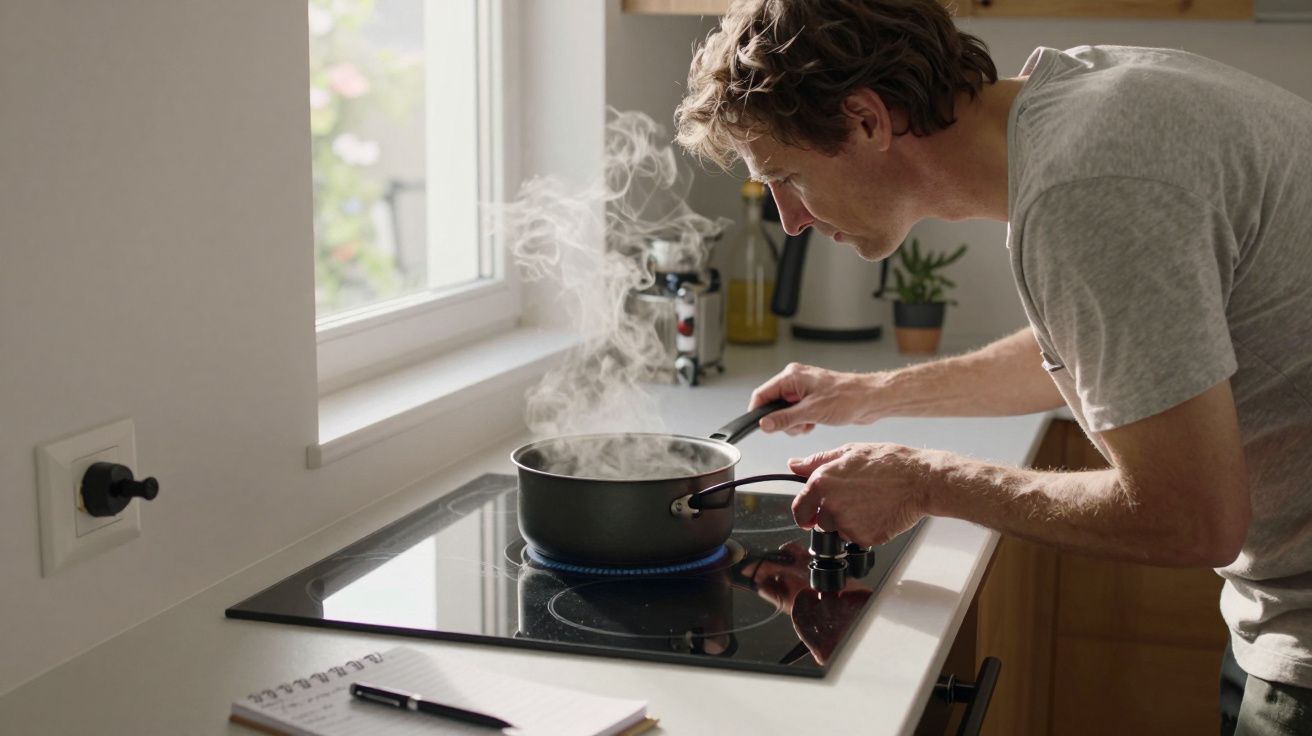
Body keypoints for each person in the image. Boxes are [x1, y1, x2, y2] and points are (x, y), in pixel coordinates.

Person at [674, 1, 1312, 733]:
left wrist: (925, 482)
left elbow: (1191, 518)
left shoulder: (1086, 187)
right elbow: (1130, 355)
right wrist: (870, 393)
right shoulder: (1078, 105)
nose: (790, 219)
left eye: (786, 176)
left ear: (865, 120)